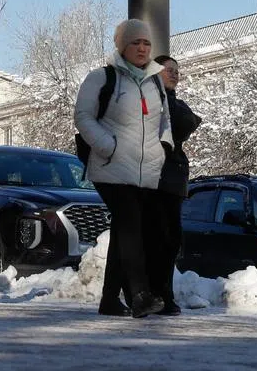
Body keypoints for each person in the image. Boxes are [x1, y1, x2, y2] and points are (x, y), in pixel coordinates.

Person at [75, 19, 172, 319]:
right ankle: (139, 293)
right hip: (110, 166)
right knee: (130, 224)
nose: (142, 48)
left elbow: (164, 120)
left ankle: (109, 299)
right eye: (135, 43)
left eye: (146, 43)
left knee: (125, 229)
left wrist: (164, 147)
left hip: (145, 169)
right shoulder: (101, 77)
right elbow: (83, 116)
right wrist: (108, 146)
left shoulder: (156, 80)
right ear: (122, 46)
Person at [151, 55, 202, 316]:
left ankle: (163, 293)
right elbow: (182, 123)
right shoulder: (152, 100)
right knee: (159, 240)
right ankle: (156, 294)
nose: (174, 74)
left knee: (171, 241)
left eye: (177, 71)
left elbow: (188, 122)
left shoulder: (174, 102)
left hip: (173, 180)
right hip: (155, 180)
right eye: (168, 70)